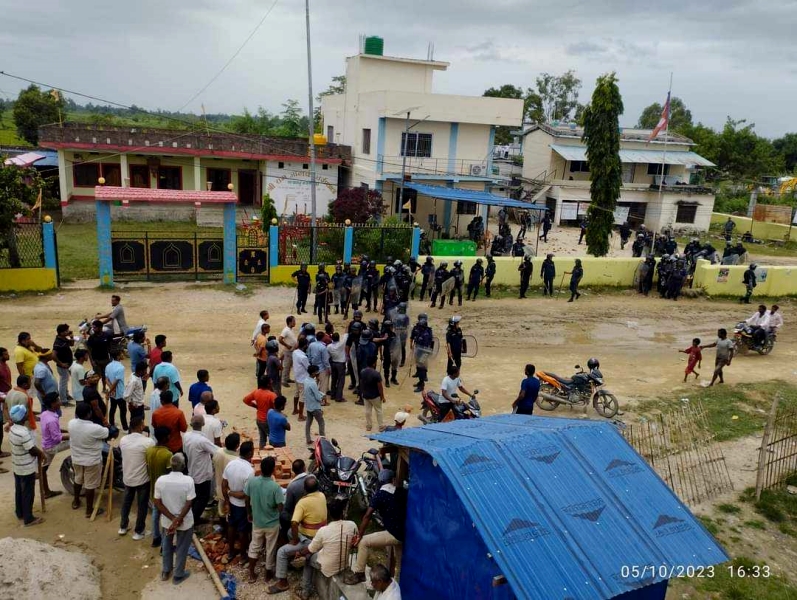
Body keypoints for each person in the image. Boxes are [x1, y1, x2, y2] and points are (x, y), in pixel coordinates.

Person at [344, 469, 405, 586]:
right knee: (401, 564)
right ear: (393, 480)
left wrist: (359, 535)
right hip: (404, 533)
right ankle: (398, 587)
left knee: (363, 542)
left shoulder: (380, 495)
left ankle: (359, 574)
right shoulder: (402, 492)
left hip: (393, 533)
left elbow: (367, 515)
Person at [270, 475, 328, 595]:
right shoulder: (322, 496)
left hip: (309, 540)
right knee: (289, 532)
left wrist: (295, 540)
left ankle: (283, 583)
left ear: (305, 490)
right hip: (321, 536)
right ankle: (295, 556)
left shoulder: (303, 502)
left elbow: (294, 522)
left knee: (281, 551)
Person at [295, 499, 358, 600]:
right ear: (343, 512)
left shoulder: (324, 530)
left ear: (329, 513)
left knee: (308, 558)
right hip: (344, 564)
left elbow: (310, 550)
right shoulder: (352, 525)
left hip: (328, 569)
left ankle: (305, 591)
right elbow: (353, 542)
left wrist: (300, 553)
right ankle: (306, 590)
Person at [154, 453, 195, 585]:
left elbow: (157, 503)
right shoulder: (188, 480)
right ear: (183, 466)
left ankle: (166, 571)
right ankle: (178, 575)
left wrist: (173, 519)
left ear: (171, 465)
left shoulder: (161, 480)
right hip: (185, 521)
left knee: (166, 545)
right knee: (182, 547)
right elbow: (189, 503)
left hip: (167, 521)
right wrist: (178, 519)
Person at [245, 456, 284, 583]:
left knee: (254, 546)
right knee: (270, 548)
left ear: (260, 468)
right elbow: (280, 507)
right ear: (273, 470)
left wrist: (249, 513)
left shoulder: (252, 482)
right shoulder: (275, 487)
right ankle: (268, 575)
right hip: (272, 523)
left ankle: (251, 574)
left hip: (257, 521)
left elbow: (246, 499)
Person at [68, 402, 110, 518]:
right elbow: (107, 432)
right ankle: (89, 510)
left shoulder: (71, 423)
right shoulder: (94, 428)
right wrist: (106, 423)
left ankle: (76, 501)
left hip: (76, 458)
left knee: (78, 479)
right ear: (89, 414)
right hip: (91, 460)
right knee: (90, 485)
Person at [118, 415, 155, 540]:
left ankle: (123, 527)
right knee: (142, 505)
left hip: (128, 477)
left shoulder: (123, 440)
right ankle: (139, 531)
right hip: (142, 479)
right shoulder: (148, 442)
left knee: (126, 502)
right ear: (140, 426)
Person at [9, 405, 45, 527]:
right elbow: (31, 449)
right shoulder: (23, 432)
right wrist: (41, 454)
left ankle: (20, 512)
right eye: (25, 414)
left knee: (19, 490)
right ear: (22, 417)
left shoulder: (13, 428)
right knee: (28, 492)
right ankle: (28, 518)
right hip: (26, 467)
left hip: (17, 465)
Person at [222, 441, 255, 564]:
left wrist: (227, 501)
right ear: (250, 453)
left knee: (231, 526)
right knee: (243, 531)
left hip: (231, 503)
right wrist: (248, 512)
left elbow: (223, 484)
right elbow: (244, 496)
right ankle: (242, 555)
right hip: (242, 506)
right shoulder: (249, 471)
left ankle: (231, 552)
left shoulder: (231, 464)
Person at [183, 414, 218, 523]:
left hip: (191, 470)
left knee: (195, 496)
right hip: (202, 473)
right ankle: (194, 519)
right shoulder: (202, 440)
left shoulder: (186, 436)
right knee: (203, 497)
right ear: (203, 424)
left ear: (191, 424)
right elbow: (217, 451)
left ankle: (192, 516)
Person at [145, 426, 174, 547]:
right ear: (165, 438)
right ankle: (164, 543)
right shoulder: (168, 454)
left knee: (155, 514)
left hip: (153, 487)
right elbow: (169, 473)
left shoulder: (149, 451)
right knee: (165, 516)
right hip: (165, 490)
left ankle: (156, 537)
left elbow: (147, 468)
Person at [39, 392, 70, 498]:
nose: (59, 402)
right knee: (74, 441)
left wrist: (66, 430)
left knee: (43, 469)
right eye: (57, 400)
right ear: (53, 404)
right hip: (52, 447)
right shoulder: (52, 419)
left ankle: (46, 491)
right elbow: (57, 437)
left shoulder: (45, 414)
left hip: (46, 445)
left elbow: (54, 431)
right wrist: (72, 435)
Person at [244, 376, 277, 449]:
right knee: (272, 438)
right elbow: (276, 407)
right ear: (268, 384)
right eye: (270, 381)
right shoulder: (271, 395)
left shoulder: (256, 392)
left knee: (262, 438)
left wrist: (256, 406)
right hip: (268, 420)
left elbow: (245, 400)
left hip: (259, 419)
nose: (272, 382)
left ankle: (261, 452)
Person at [213, 433, 240, 521]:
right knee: (229, 513)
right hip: (228, 491)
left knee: (221, 510)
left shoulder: (218, 452)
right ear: (237, 445)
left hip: (218, 486)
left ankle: (223, 528)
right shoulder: (235, 460)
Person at [360, 355, 386, 432]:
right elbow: (380, 387)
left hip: (366, 395)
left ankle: (369, 426)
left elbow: (362, 383)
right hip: (375, 396)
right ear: (374, 364)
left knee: (367, 411)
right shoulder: (376, 374)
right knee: (378, 410)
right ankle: (381, 426)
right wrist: (382, 396)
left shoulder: (362, 372)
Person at [86, 320, 112, 391]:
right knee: (96, 376)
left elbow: (110, 347)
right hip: (96, 360)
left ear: (100, 327)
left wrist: (110, 358)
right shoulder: (91, 338)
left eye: (95, 328)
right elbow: (89, 349)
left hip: (106, 359)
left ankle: (104, 388)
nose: (93, 329)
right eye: (93, 328)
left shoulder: (107, 336)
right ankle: (95, 390)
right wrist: (92, 361)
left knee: (105, 375)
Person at [410, 314, 433, 393]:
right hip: (419, 352)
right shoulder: (420, 331)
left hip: (423, 353)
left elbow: (425, 347)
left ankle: (421, 385)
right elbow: (415, 339)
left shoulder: (425, 334)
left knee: (422, 369)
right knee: (419, 368)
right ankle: (420, 382)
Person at [53, 323, 75, 405]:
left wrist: (71, 337)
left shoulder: (63, 339)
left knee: (65, 380)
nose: (68, 332)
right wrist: (61, 364)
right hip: (63, 366)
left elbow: (72, 344)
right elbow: (53, 355)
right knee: (63, 382)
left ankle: (66, 394)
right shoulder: (58, 342)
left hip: (67, 365)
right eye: (66, 331)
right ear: (61, 332)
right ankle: (63, 400)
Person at [105, 349, 127, 431]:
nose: (123, 354)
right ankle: (125, 427)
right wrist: (112, 389)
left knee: (112, 408)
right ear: (118, 356)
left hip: (113, 392)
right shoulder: (121, 367)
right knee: (123, 410)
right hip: (120, 392)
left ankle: (112, 424)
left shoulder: (108, 365)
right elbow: (117, 381)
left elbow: (106, 379)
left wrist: (111, 390)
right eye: (121, 353)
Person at [304, 365, 325, 446]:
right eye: (317, 371)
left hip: (309, 406)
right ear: (313, 373)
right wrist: (323, 397)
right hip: (315, 407)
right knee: (321, 423)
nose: (318, 373)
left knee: (308, 423)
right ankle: (323, 440)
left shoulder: (306, 380)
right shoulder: (313, 383)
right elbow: (317, 396)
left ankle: (308, 439)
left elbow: (314, 392)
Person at [307, 331, 331, 400]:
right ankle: (322, 401)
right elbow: (325, 360)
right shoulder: (323, 347)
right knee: (323, 386)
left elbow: (309, 356)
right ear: (323, 338)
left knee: (314, 385)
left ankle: (313, 398)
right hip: (322, 369)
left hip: (314, 368)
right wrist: (328, 368)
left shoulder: (311, 345)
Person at [293, 337, 310, 421]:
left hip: (296, 376)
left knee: (296, 393)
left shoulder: (295, 352)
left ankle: (295, 409)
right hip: (302, 379)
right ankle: (300, 415)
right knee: (302, 397)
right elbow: (308, 368)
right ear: (305, 346)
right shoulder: (303, 357)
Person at [327, 332, 347, 403]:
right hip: (340, 364)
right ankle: (338, 397)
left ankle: (333, 395)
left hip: (333, 363)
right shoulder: (341, 344)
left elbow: (328, 355)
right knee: (341, 381)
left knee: (334, 380)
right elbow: (345, 337)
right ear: (338, 338)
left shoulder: (329, 346)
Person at [279, 316, 297, 389]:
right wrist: (287, 345)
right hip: (288, 351)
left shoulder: (290, 329)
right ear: (290, 322)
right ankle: (283, 380)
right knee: (286, 366)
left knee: (289, 365)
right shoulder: (286, 330)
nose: (295, 322)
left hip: (291, 350)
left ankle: (287, 378)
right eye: (294, 321)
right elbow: (280, 339)